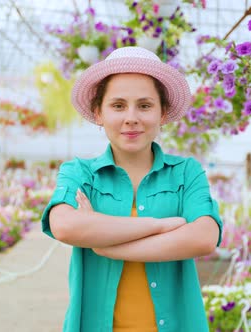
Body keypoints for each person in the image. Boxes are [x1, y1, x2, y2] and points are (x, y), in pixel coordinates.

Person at [41, 46, 223, 332]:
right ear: (98, 113)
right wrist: (159, 226)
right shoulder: (79, 173)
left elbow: (204, 236)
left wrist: (105, 245)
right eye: (118, 105)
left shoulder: (187, 173)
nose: (131, 117)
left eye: (145, 105)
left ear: (163, 113)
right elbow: (64, 226)